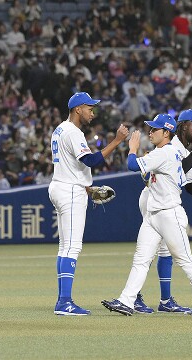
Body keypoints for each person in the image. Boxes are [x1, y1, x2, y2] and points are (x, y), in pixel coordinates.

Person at [102, 114, 192, 316]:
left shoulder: (166, 152)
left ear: (167, 132)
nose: (150, 132)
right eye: (150, 129)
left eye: (155, 129)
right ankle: (126, 301)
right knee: (141, 259)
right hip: (154, 214)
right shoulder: (164, 152)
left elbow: (133, 165)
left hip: (170, 213)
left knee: (184, 258)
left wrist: (133, 149)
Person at [134, 109, 192, 314]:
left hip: (163, 201)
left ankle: (165, 300)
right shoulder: (174, 145)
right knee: (149, 251)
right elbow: (183, 166)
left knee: (166, 252)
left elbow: (191, 186)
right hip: (152, 198)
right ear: (185, 125)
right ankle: (136, 296)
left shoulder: (185, 148)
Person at [49, 92, 129, 316]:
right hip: (70, 191)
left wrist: (85, 185)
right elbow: (91, 160)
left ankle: (62, 300)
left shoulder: (59, 129)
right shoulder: (73, 132)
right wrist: (117, 141)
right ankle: (65, 302)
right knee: (73, 247)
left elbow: (72, 165)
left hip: (61, 185)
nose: (93, 112)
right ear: (77, 109)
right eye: (89, 108)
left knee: (64, 247)